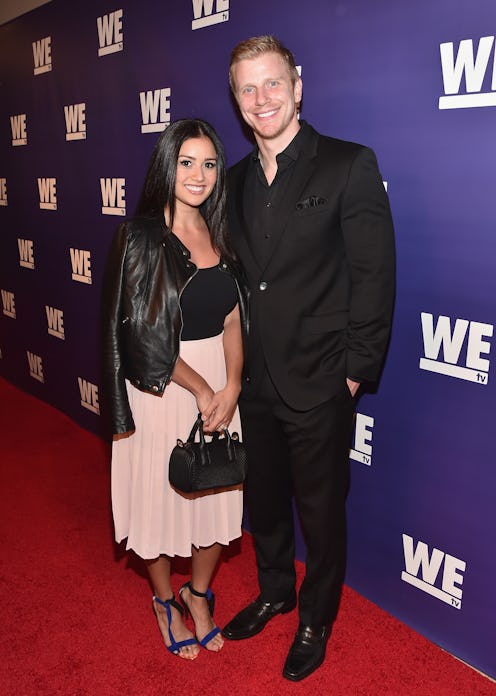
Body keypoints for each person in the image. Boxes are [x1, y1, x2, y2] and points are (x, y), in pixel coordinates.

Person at [221, 36, 396, 681]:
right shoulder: (232, 183)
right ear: (237, 102)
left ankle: (317, 618)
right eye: (248, 88)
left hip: (322, 378)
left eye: (273, 83)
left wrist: (354, 372)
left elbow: (374, 276)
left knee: (321, 513)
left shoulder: (348, 164)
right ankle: (275, 591)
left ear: (297, 87)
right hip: (255, 380)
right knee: (265, 501)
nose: (262, 98)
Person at [102, 118, 247, 661]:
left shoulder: (221, 232)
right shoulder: (140, 236)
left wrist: (232, 384)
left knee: (217, 495)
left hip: (220, 385)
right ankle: (165, 601)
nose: (199, 175)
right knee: (161, 502)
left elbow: (233, 318)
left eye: (209, 164)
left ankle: (198, 595)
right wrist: (204, 387)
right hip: (164, 386)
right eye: (187, 162)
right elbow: (141, 333)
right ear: (168, 166)